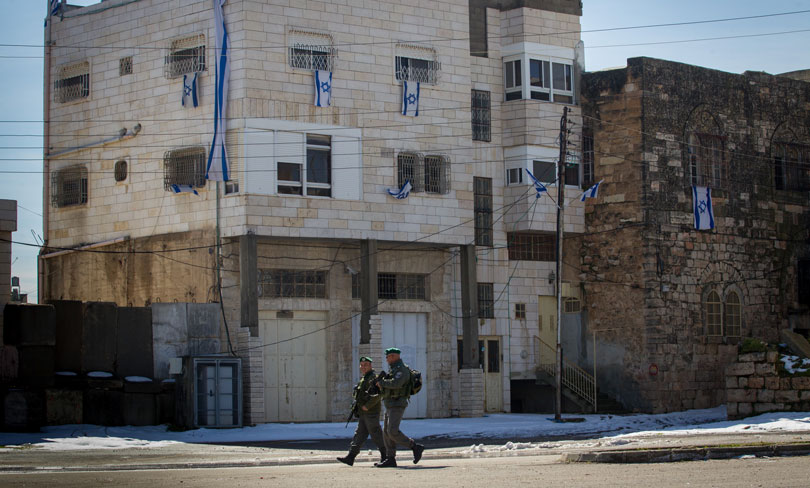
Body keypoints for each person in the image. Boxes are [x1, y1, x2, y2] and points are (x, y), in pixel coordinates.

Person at [375, 347, 425, 468]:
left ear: (395, 356)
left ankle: (414, 447)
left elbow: (397, 383)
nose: (387, 359)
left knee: (392, 430)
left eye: (389, 356)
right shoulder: (393, 369)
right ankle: (390, 458)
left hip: (397, 403)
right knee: (386, 432)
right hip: (390, 404)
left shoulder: (401, 370)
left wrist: (382, 383)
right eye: (386, 357)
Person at [337, 356, 386, 466]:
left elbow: (378, 395)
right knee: (359, 434)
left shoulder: (373, 378)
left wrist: (367, 406)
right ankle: (351, 457)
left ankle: (386, 456)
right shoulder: (365, 378)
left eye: (366, 365)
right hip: (364, 412)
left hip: (371, 412)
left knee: (376, 434)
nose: (363, 367)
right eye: (362, 365)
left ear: (370, 366)